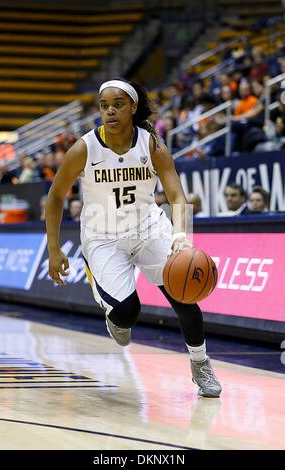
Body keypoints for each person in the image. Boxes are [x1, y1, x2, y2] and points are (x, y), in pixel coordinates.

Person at [45, 77, 221, 398]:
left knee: (185, 297)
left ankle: (200, 363)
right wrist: (54, 248)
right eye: (104, 106)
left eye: (118, 105)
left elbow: (177, 197)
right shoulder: (84, 148)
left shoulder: (151, 144)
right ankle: (116, 313)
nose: (110, 111)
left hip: (149, 229)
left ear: (133, 107)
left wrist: (181, 236)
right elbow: (56, 197)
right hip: (102, 236)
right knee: (128, 312)